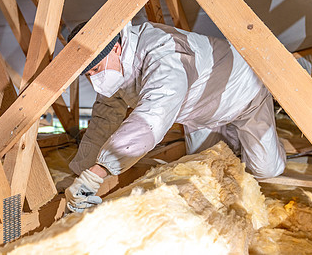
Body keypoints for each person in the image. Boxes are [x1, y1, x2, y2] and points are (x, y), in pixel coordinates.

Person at [64, 21, 286, 213]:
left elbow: (151, 119)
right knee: (206, 172)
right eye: (88, 74)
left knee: (265, 170)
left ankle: (270, 138)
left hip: (242, 97)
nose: (94, 79)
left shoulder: (161, 52)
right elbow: (103, 121)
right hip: (200, 115)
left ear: (115, 47)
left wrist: (96, 174)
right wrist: (81, 174)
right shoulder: (116, 70)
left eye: (96, 69)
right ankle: (233, 139)